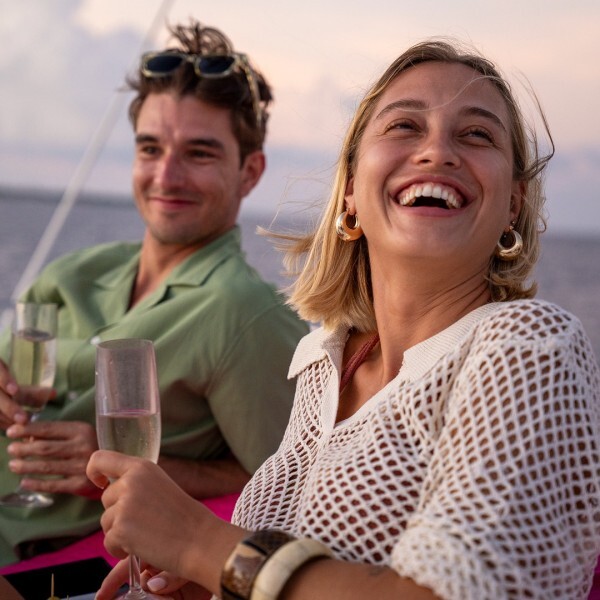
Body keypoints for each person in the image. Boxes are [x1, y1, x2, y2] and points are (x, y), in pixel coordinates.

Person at [87, 39, 600, 600]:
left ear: (513, 205)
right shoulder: (325, 360)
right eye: (404, 126)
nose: (437, 152)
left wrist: (199, 543)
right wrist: (215, 582)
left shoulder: (529, 346)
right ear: (351, 189)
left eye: (477, 135)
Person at [0, 20, 308, 567]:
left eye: (199, 153)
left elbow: (293, 484)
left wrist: (126, 467)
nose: (167, 175)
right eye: (150, 148)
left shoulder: (244, 314)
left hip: (39, 559)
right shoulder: (76, 271)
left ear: (250, 172)